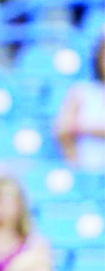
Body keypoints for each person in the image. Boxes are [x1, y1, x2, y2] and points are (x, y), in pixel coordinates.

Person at [54, 33, 105, 173]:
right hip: (87, 175)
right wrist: (76, 167)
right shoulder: (80, 91)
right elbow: (62, 130)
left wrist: (85, 128)